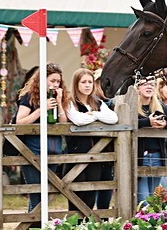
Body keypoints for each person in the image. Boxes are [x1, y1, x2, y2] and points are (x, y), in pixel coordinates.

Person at [13, 63, 66, 212]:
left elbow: (63, 123)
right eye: (52, 81)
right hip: (32, 149)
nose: (56, 84)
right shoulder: (29, 97)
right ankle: (33, 225)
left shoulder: (57, 97)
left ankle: (33, 224)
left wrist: (59, 103)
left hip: (53, 148)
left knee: (47, 192)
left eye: (58, 81)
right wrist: (42, 109)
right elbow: (20, 122)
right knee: (36, 193)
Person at [65, 68, 119, 211]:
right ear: (76, 84)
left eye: (90, 82)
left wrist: (94, 114)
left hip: (96, 156)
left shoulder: (97, 102)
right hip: (76, 154)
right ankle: (75, 224)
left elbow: (113, 118)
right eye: (83, 82)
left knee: (90, 194)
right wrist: (97, 118)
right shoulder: (70, 102)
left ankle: (88, 224)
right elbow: (78, 119)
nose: (87, 85)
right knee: (76, 195)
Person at [134, 77, 167, 203]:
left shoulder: (159, 105)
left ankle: (151, 216)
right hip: (140, 156)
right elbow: (128, 123)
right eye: (145, 84)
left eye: (151, 84)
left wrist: (165, 124)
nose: (149, 86)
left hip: (157, 156)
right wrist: (147, 122)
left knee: (154, 197)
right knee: (144, 199)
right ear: (138, 88)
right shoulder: (132, 105)